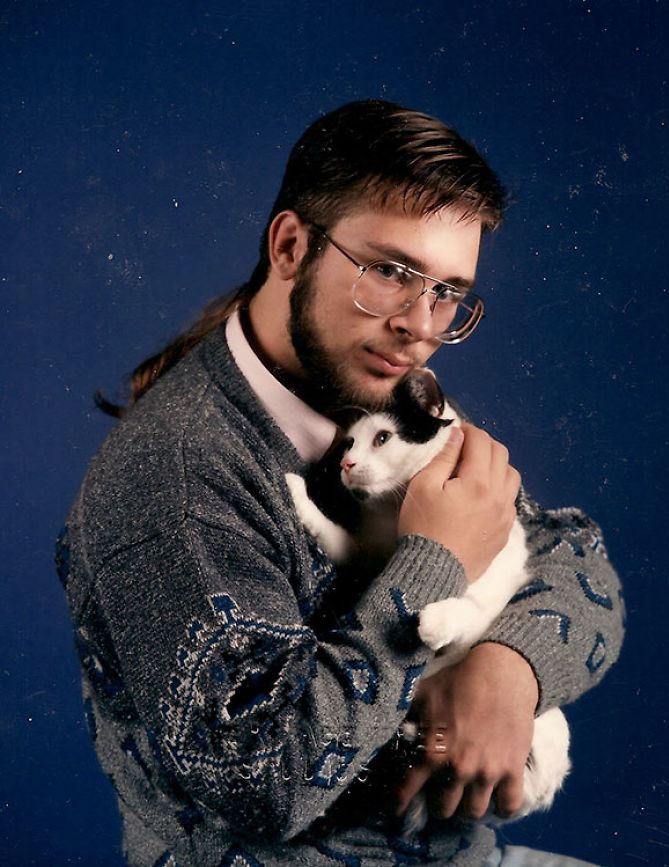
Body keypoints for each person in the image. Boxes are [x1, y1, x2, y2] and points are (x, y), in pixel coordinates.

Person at [57, 100, 624, 866]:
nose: (422, 326)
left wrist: (506, 669)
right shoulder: (177, 479)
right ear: (290, 245)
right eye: (391, 272)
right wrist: (434, 562)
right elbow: (267, 779)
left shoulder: (384, 390)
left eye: (448, 290)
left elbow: (575, 560)